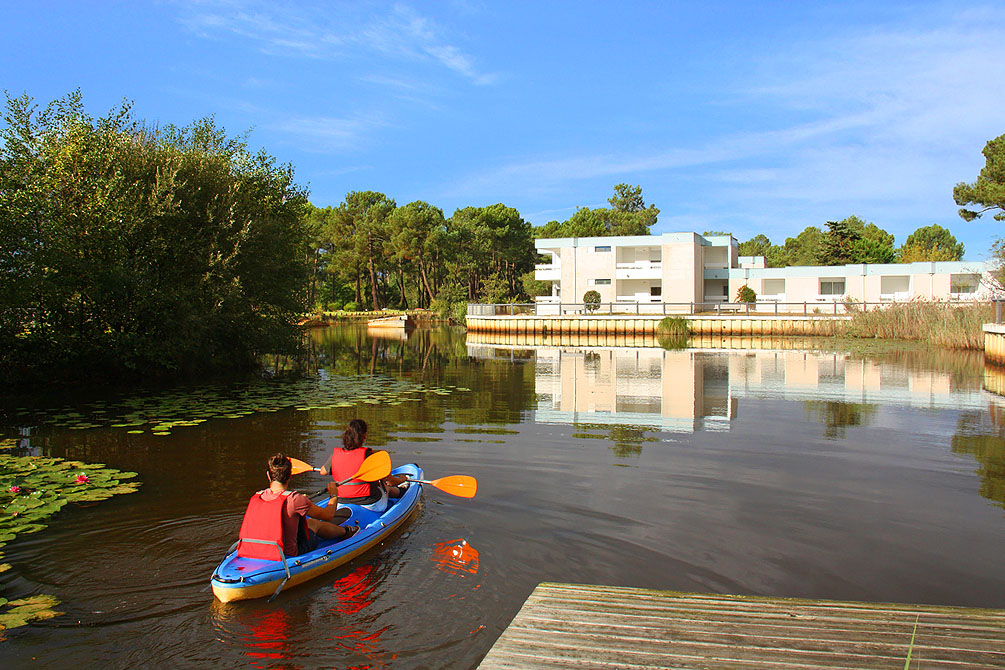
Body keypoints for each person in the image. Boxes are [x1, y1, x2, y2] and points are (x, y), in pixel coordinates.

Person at [237, 453, 357, 561]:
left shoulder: (257, 496)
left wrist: (302, 501)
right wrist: (334, 495)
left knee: (307, 523)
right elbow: (328, 515)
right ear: (289, 476)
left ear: (268, 475)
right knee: (314, 523)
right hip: (288, 553)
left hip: (253, 549)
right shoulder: (295, 499)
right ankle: (347, 531)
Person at [319, 418, 406, 513]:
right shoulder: (368, 455)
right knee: (385, 486)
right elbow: (390, 480)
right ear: (364, 436)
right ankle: (401, 491)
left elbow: (323, 472)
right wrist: (402, 479)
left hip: (340, 502)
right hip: (370, 504)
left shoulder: (335, 454)